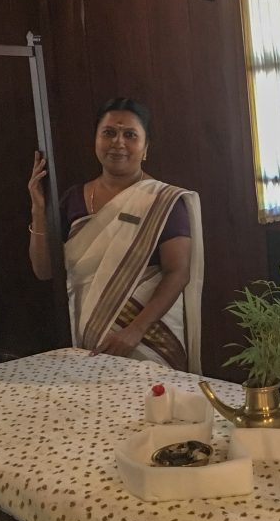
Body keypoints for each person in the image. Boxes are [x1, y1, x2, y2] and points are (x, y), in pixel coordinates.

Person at [27, 98, 202, 373]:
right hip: (89, 337)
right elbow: (44, 270)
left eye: (130, 135)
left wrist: (134, 331)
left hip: (149, 339)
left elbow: (178, 272)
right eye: (108, 133)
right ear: (96, 141)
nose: (118, 142)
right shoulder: (73, 199)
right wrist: (39, 209)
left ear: (145, 148)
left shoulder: (164, 200)